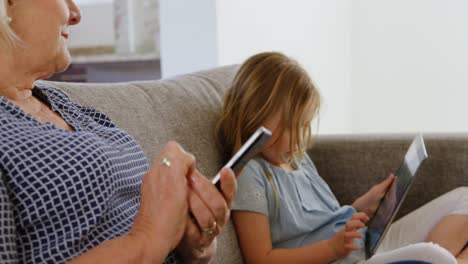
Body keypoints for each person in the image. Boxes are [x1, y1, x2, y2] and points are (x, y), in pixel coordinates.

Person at [0, 0, 237, 263]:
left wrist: (189, 243)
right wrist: (148, 240)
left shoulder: (64, 106)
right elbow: (149, 237)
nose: (76, 15)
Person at [215, 51, 468, 263]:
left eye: (304, 126)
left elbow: (328, 220)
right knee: (436, 256)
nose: (300, 139)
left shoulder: (296, 159)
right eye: (293, 127)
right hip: (344, 261)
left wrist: (363, 206)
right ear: (257, 116)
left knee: (465, 198)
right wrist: (332, 249)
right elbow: (262, 259)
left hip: (364, 249)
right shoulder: (250, 175)